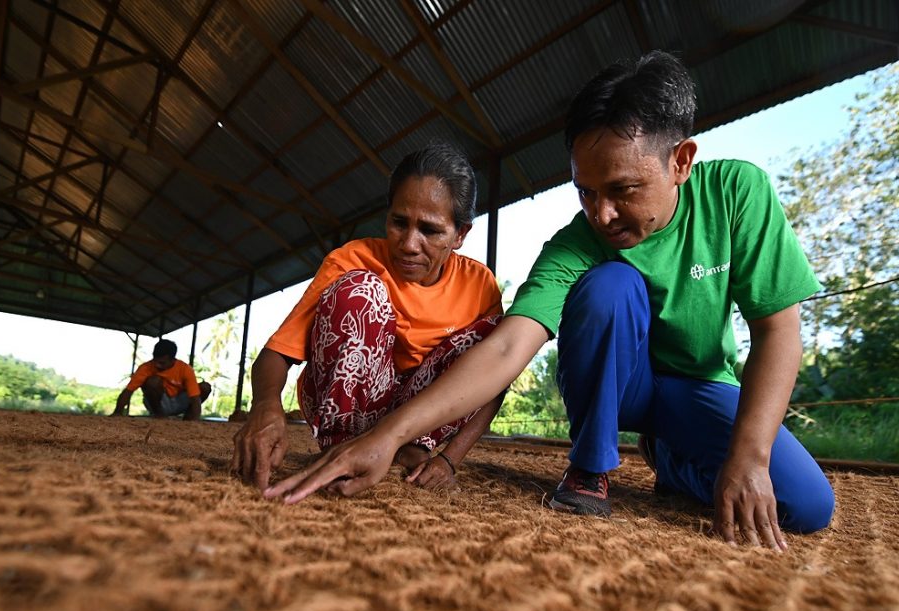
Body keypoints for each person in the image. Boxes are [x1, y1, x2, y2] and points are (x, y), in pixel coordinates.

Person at [265, 51, 835, 552]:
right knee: (613, 286)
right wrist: (384, 437)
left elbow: (777, 330)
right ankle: (591, 469)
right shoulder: (573, 245)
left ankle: (674, 458)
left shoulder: (738, 193)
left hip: (698, 387)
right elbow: (509, 344)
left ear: (680, 161)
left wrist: (751, 458)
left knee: (807, 508)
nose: (602, 214)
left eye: (623, 190)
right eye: (585, 191)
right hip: (617, 390)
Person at [231, 142, 504, 491]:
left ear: (460, 234)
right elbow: (277, 352)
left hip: (419, 418)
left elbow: (495, 379)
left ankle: (411, 449)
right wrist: (266, 406)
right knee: (360, 289)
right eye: (398, 223)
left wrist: (450, 458)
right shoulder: (353, 258)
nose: (408, 243)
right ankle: (343, 444)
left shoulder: (479, 285)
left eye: (430, 230)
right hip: (354, 409)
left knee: (497, 337)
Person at [112, 339, 211, 421]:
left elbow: (195, 398)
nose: (157, 365)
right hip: (159, 404)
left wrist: (195, 420)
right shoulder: (145, 368)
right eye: (155, 361)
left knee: (205, 387)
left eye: (162, 363)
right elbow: (128, 391)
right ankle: (159, 416)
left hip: (179, 402)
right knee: (153, 381)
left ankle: (188, 420)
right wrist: (117, 412)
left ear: (173, 360)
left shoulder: (185, 369)